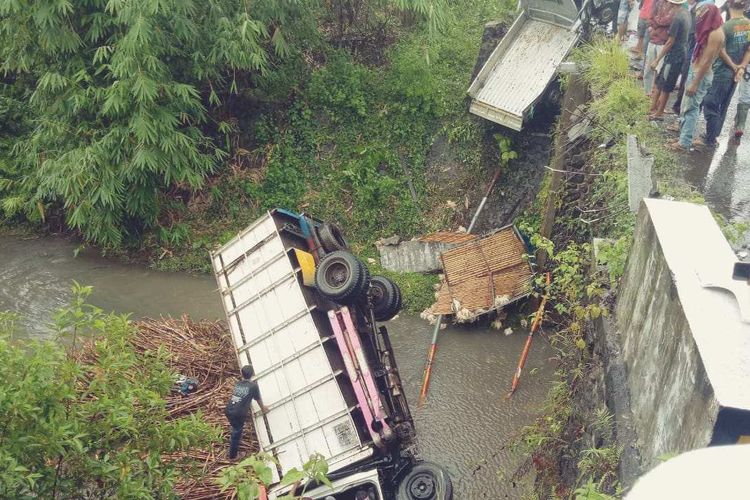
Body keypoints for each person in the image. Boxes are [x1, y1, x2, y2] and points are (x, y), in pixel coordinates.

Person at [668, 3, 725, 151]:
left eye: (702, 15)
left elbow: (706, 61)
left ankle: (684, 142)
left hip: (701, 74)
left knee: (691, 109)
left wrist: (695, 82)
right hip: (697, 71)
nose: (699, 18)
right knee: (686, 106)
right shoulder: (712, 30)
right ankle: (684, 136)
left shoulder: (715, 34)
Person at [699, 0, 750, 147]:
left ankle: (710, 138)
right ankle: (713, 135)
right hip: (736, 74)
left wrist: (733, 65)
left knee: (711, 103)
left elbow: (720, 50)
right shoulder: (748, 25)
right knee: (724, 104)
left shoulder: (726, 27)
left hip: (722, 71)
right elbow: (748, 50)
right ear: (746, 6)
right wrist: (741, 67)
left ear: (728, 5)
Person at [648, 0, 691, 119]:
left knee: (666, 84)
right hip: (681, 51)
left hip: (674, 54)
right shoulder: (686, 13)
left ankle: (659, 112)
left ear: (672, 4)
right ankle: (653, 107)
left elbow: (670, 42)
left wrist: (657, 59)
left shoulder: (677, 18)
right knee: (661, 80)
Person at [225, 364, 269, 459]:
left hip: (229, 410)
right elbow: (257, 399)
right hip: (238, 414)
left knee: (235, 426)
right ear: (253, 374)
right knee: (237, 432)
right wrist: (263, 409)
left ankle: (233, 435)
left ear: (241, 373)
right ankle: (233, 456)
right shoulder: (253, 386)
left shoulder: (238, 384)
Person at [644, 0, 679, 94]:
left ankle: (655, 93)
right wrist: (655, 23)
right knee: (648, 69)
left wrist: (656, 22)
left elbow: (666, 20)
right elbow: (651, 18)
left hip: (664, 42)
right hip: (654, 39)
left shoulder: (675, 7)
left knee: (660, 71)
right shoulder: (658, 3)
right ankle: (647, 92)